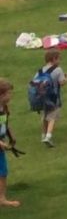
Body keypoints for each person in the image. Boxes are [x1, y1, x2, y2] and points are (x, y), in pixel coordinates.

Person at [29, 49, 67, 147]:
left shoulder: (40, 70)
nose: (60, 61)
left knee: (45, 116)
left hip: (41, 97)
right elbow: (61, 82)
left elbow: (34, 83)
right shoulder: (58, 69)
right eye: (59, 59)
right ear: (54, 59)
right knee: (52, 117)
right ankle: (48, 137)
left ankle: (43, 134)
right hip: (53, 97)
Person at [0, 79, 19, 208]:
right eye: (8, 93)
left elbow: (4, 123)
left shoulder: (4, 107)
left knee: (2, 171)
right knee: (2, 171)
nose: (10, 96)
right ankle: (2, 199)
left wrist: (11, 135)